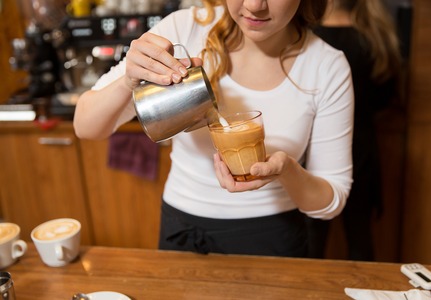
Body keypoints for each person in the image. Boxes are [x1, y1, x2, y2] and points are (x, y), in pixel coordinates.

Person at [73, 0, 354, 258]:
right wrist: (128, 81)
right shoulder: (184, 29)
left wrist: (288, 171)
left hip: (273, 239)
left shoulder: (326, 66)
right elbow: (85, 126)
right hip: (181, 231)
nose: (254, 5)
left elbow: (332, 200)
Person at [305, 0, 402, 260]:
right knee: (360, 239)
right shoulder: (376, 38)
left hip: (315, 152)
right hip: (362, 151)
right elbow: (385, 97)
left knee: (312, 240)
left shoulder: (309, 40)